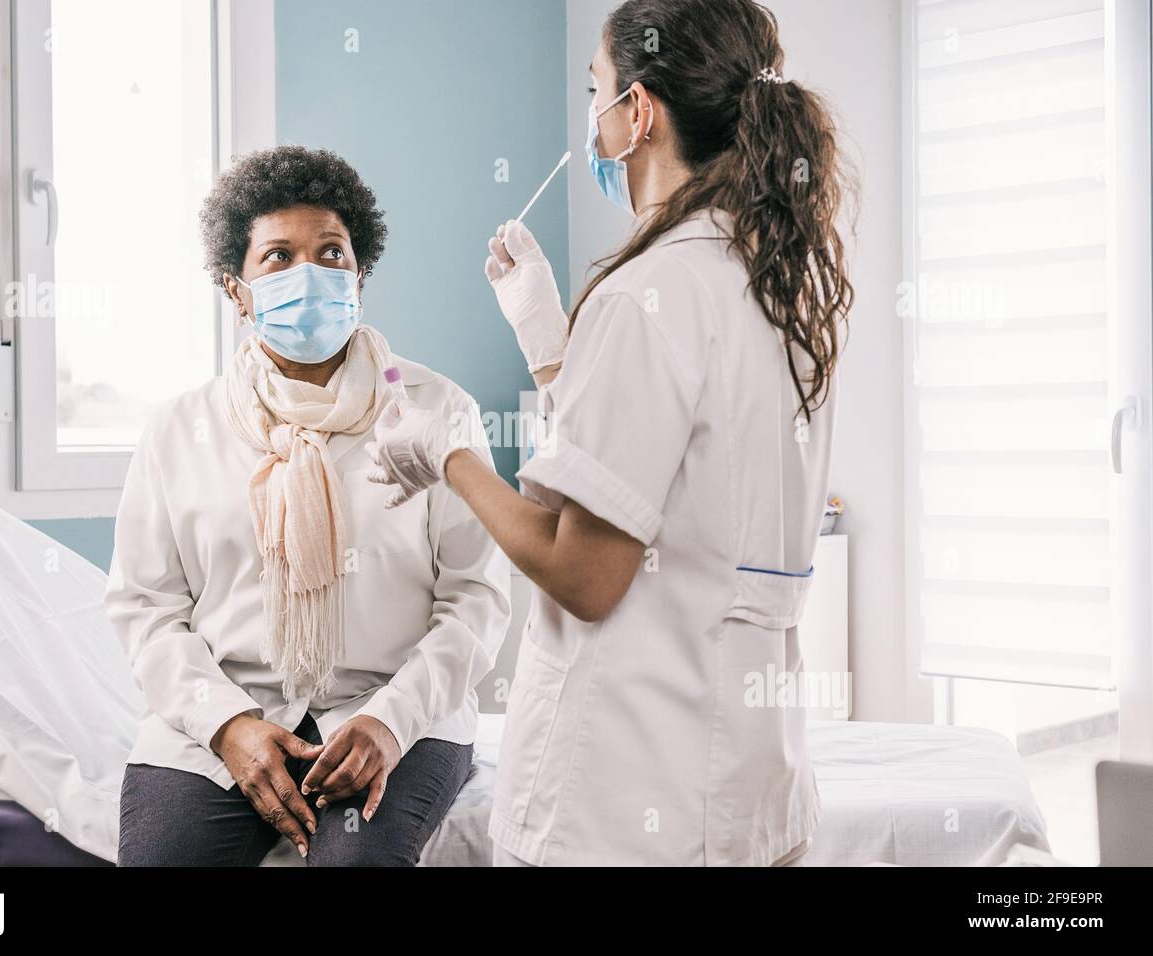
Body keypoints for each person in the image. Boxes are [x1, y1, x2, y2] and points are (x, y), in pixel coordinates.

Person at [367, 0, 854, 866]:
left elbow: (585, 574)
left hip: (627, 797)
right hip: (751, 785)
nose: (590, 121)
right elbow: (665, 470)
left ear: (639, 112)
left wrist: (452, 455)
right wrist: (552, 345)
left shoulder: (647, 296)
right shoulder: (776, 284)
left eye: (596, 91)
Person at [107, 145, 510, 866]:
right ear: (236, 289)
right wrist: (227, 725)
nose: (311, 276)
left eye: (331, 252)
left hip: (392, 717)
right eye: (279, 258)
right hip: (222, 719)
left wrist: (391, 720)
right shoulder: (179, 430)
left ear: (360, 273)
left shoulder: (434, 411)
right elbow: (146, 608)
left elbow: (476, 598)